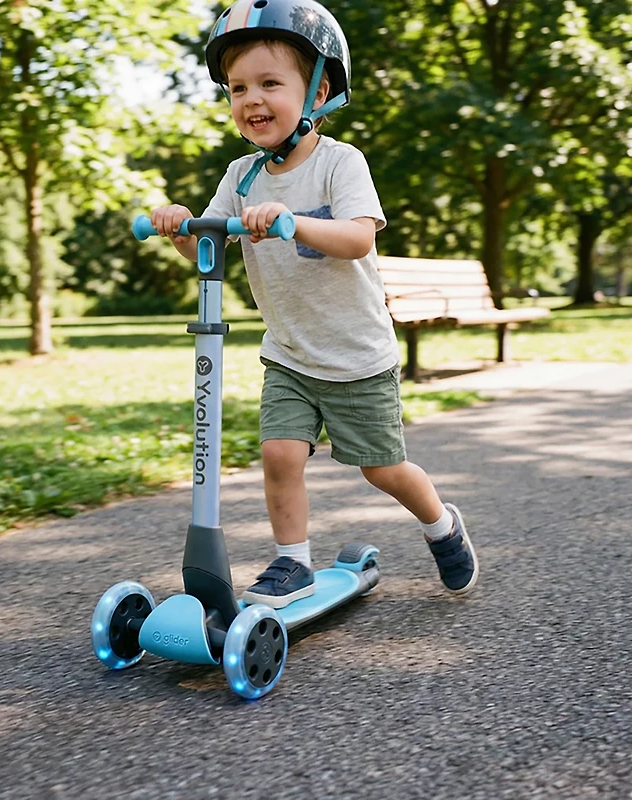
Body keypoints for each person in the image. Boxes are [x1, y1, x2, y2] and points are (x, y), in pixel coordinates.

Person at [149, 0, 478, 608]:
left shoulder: (339, 163)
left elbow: (358, 237)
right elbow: (210, 245)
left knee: (382, 470)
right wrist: (179, 230)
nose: (252, 99)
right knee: (279, 455)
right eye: (238, 87)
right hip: (291, 355)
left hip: (357, 357)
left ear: (318, 90)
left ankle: (441, 524)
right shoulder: (241, 176)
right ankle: (292, 562)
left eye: (271, 83)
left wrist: (291, 222)